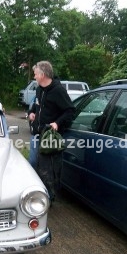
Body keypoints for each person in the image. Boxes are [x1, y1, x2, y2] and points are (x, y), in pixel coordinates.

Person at [27, 61, 75, 202]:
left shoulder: (58, 90)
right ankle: (33, 193)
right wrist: (31, 112)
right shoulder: (39, 89)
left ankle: (47, 197)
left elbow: (70, 110)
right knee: (32, 163)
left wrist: (57, 123)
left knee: (47, 169)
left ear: (42, 75)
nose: (34, 76)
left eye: (35, 74)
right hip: (37, 133)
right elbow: (36, 106)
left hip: (49, 137)